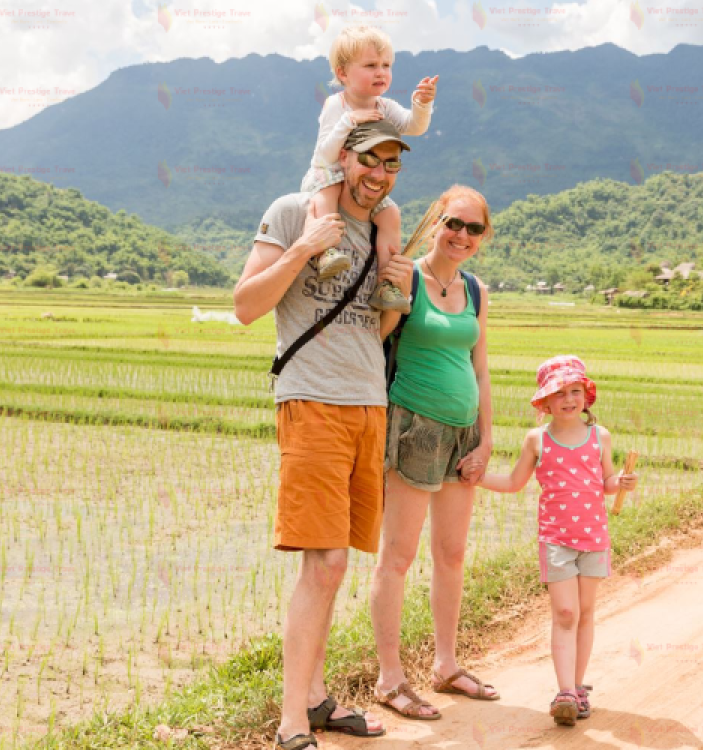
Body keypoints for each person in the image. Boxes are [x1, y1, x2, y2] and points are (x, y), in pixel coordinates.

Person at [233, 119, 415, 750]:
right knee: (325, 563)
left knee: (334, 568)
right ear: (342, 157)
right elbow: (246, 306)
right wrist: (303, 249)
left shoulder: (382, 230)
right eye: (370, 160)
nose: (380, 174)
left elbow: (378, 332)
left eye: (392, 164)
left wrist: (401, 295)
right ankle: (289, 725)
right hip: (311, 401)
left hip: (369, 405)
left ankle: (314, 700)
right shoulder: (292, 211)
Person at [370, 185, 496, 720]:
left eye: (473, 228)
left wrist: (487, 439)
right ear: (435, 221)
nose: (461, 235)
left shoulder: (476, 289)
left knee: (452, 555)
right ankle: (390, 678)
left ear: (483, 236)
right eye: (453, 223)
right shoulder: (409, 277)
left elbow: (481, 366)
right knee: (397, 558)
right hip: (413, 427)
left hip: (463, 434)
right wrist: (391, 287)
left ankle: (446, 665)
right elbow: (378, 335)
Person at [477, 355, 638, 726]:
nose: (569, 399)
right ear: (544, 402)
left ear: (586, 395)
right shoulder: (537, 439)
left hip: (594, 538)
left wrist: (622, 484)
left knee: (584, 613)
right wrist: (479, 478)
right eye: (559, 393)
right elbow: (515, 482)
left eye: (575, 391)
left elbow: (607, 483)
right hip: (556, 540)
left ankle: (579, 687)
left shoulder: (601, 436)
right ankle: (564, 690)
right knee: (565, 613)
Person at [303, 24, 437, 314]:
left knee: (390, 214)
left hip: (365, 182)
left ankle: (386, 284)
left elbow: (414, 127)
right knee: (327, 195)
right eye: (370, 65)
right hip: (327, 173)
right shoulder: (335, 105)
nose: (381, 72)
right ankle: (326, 252)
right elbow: (326, 154)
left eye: (386, 65)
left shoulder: (386, 107)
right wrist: (350, 121)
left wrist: (422, 104)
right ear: (342, 73)